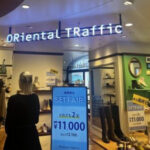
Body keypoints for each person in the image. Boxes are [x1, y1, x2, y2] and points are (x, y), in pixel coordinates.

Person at [4, 72, 41, 150]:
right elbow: (36, 120)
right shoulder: (35, 98)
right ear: (31, 83)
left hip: (15, 137)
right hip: (31, 136)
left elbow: (8, 122)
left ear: (19, 82)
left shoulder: (13, 99)